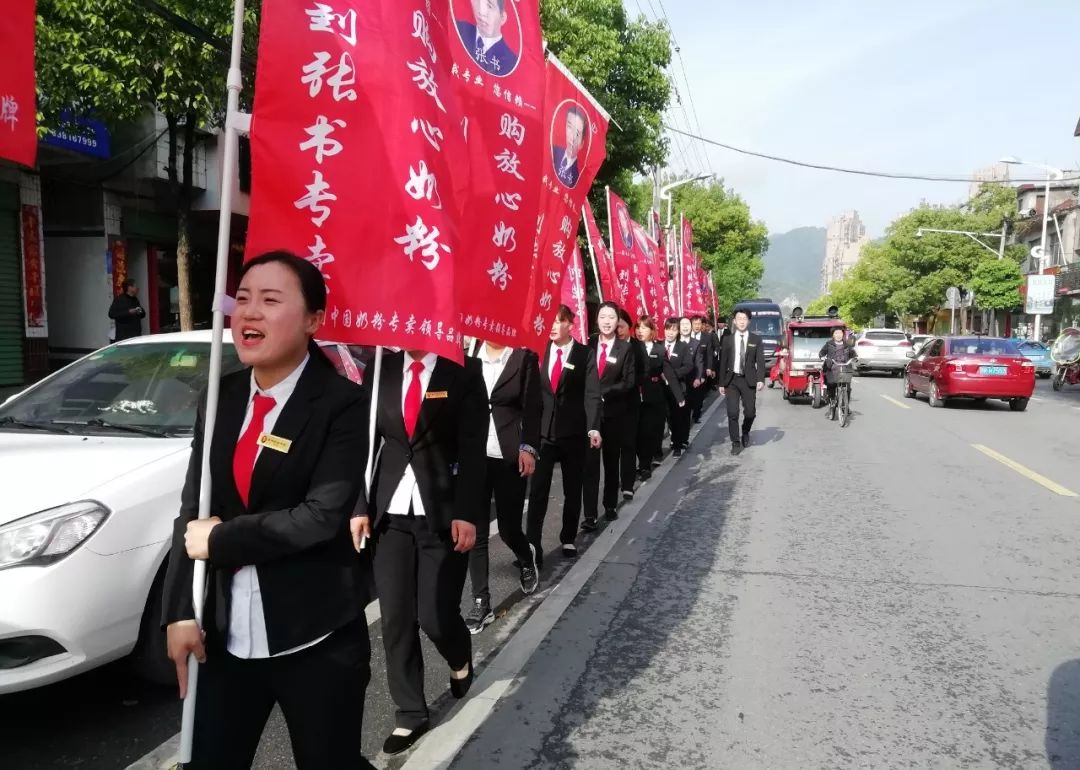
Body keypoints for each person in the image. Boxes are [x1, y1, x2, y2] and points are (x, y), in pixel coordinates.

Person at [161, 251, 375, 770]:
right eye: (244, 299)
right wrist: (180, 612)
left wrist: (221, 541)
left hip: (316, 635)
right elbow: (194, 507)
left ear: (313, 320)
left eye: (271, 300)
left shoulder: (341, 402)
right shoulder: (222, 395)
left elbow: (320, 515)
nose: (249, 313)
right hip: (225, 638)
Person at [349, 348, 487, 755]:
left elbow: (474, 446)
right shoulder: (380, 367)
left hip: (441, 512)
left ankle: (460, 654)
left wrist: (466, 512)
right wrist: (359, 506)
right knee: (395, 618)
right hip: (389, 514)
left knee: (434, 614)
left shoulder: (463, 369)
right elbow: (363, 442)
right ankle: (410, 712)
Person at [465, 342, 542, 636]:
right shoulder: (471, 353)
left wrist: (529, 447)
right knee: (477, 531)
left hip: (510, 454)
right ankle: (481, 601)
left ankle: (526, 557)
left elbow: (533, 407)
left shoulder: (524, 357)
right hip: (474, 457)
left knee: (509, 528)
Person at [527, 305, 602, 561]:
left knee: (572, 488)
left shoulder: (584, 354)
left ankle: (568, 538)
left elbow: (592, 393)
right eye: (550, 321)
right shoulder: (538, 350)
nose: (553, 326)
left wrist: (593, 426)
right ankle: (532, 543)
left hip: (573, 431)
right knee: (538, 490)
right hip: (543, 433)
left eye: (559, 321)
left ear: (570, 323)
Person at [583, 301, 637, 527]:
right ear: (596, 319)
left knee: (611, 461)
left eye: (611, 318)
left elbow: (629, 382)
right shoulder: (587, 345)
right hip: (590, 415)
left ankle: (610, 505)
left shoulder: (625, 348)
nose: (607, 322)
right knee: (590, 465)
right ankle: (589, 514)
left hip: (614, 413)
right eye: (603, 317)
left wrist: (604, 392)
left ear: (618, 322)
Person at [636, 316, 684, 478]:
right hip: (634, 395)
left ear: (652, 331)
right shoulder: (631, 347)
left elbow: (669, 373)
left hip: (654, 394)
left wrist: (678, 396)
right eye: (638, 328)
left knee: (650, 430)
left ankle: (645, 465)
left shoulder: (659, 350)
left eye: (644, 328)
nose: (640, 331)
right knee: (637, 432)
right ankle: (642, 460)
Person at [718, 309, 767, 456]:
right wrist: (721, 383)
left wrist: (761, 379)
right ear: (734, 321)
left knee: (750, 412)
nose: (741, 321)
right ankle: (735, 442)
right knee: (732, 413)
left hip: (748, 380)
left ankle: (745, 430)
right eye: (738, 318)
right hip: (732, 380)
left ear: (749, 321)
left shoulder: (756, 339)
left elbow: (760, 361)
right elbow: (723, 362)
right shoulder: (727, 340)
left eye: (744, 318)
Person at [617, 308, 645, 494]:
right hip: (608, 403)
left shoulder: (637, 346)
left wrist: (629, 382)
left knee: (628, 442)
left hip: (630, 401)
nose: (618, 330)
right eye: (615, 327)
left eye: (621, 326)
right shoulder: (605, 344)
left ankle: (627, 483)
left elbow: (644, 371)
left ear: (629, 326)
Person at [456, 0, 518, 76]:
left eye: (489, 6)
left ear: (502, 17)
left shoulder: (510, 61)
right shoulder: (459, 29)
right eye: (478, 2)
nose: (482, 13)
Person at [662, 317, 694, 457]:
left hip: (678, 388)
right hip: (661, 387)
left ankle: (677, 445)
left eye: (674, 330)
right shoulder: (658, 345)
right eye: (668, 329)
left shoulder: (683, 347)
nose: (670, 332)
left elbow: (688, 366)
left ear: (678, 332)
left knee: (677, 416)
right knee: (666, 417)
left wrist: (672, 374)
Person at [819, 327, 857, 420]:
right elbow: (821, 353)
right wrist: (823, 357)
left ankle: (846, 406)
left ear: (843, 334)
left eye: (840, 333)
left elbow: (853, 354)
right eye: (836, 333)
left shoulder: (847, 345)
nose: (838, 335)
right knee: (831, 385)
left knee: (847, 387)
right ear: (833, 335)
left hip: (844, 367)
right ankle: (831, 401)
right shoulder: (828, 344)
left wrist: (855, 357)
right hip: (831, 368)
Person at [552, 107, 586, 188]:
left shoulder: (579, 176)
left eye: (577, 134)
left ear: (581, 144)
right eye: (570, 127)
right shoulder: (552, 151)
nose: (572, 136)